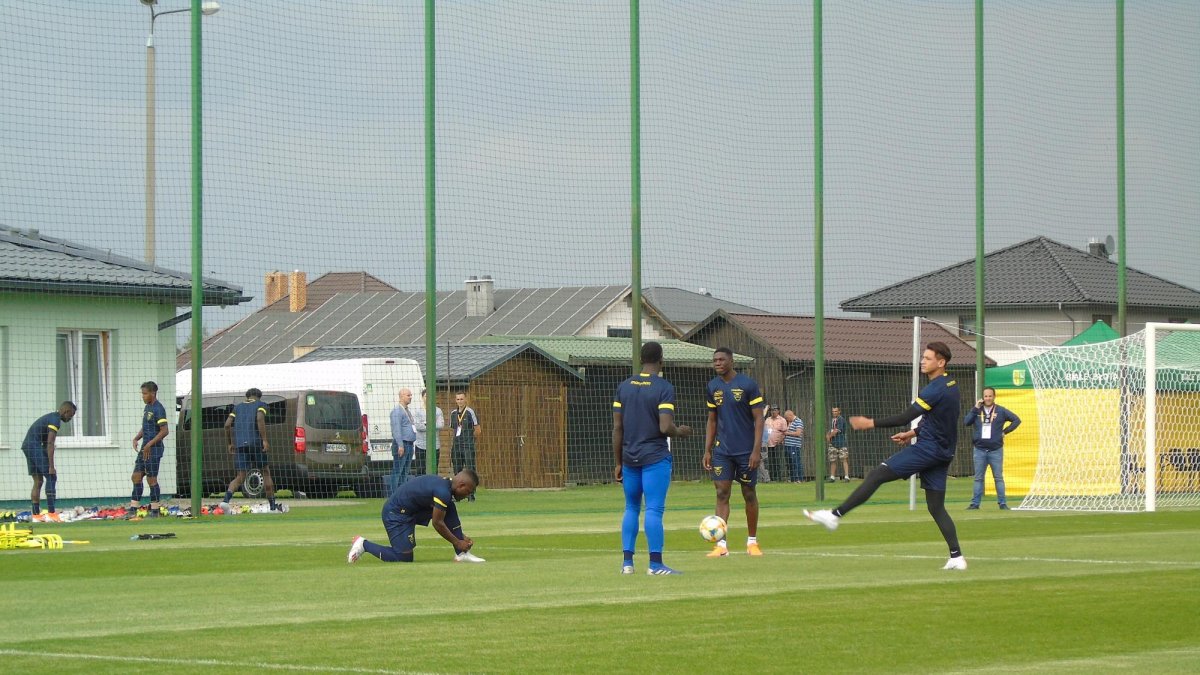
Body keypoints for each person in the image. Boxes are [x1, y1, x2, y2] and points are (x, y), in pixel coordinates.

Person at [805, 342, 968, 571]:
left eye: (928, 358)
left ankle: (835, 515)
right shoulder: (952, 385)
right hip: (943, 451)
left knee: (876, 474)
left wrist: (869, 423)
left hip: (928, 450)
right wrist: (913, 433)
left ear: (941, 363)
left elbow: (904, 416)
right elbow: (941, 422)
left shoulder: (935, 389)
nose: (923, 361)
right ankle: (957, 557)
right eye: (923, 357)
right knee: (936, 507)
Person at [613, 341, 692, 575]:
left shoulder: (624, 387)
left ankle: (627, 563)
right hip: (654, 457)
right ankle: (655, 564)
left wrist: (618, 462)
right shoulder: (663, 387)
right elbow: (665, 426)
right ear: (661, 361)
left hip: (629, 458)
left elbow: (617, 428)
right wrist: (681, 432)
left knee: (631, 508)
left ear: (640, 359)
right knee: (654, 509)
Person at [702, 347, 767, 557]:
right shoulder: (712, 386)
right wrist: (708, 450)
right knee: (722, 493)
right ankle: (721, 546)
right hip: (723, 451)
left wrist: (757, 450)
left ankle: (752, 542)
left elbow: (759, 419)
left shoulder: (748, 384)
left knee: (749, 493)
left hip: (746, 450)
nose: (717, 363)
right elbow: (712, 420)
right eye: (715, 360)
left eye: (721, 359)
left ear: (731, 361)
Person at [347, 470, 484, 564]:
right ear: (461, 485)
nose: (467, 496)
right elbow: (437, 523)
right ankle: (363, 544)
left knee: (449, 507)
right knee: (403, 557)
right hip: (395, 514)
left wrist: (460, 536)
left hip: (411, 510)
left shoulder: (447, 487)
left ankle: (461, 554)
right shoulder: (443, 491)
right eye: (468, 492)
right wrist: (457, 541)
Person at [220, 388, 281, 512]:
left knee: (240, 476)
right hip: (256, 443)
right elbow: (259, 418)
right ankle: (273, 507)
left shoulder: (237, 407)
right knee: (265, 472)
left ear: (247, 396)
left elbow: (227, 425)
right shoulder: (261, 405)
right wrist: (264, 439)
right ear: (259, 397)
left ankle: (225, 501)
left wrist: (230, 443)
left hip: (240, 445)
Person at [964, 386, 1022, 510]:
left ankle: (1002, 503)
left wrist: (1005, 431)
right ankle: (975, 504)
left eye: (990, 396)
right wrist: (975, 408)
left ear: (994, 397)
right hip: (979, 450)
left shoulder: (1000, 411)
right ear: (982, 397)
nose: (988, 398)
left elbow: (1016, 420)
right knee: (978, 478)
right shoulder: (977, 411)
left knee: (998, 478)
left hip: (996, 450)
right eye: (986, 396)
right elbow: (966, 422)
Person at [21, 402, 77, 522]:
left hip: (27, 445)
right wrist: (51, 466)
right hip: (34, 446)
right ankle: (52, 514)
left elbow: (46, 443)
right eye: (71, 416)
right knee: (51, 476)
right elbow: (50, 443)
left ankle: (36, 515)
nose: (70, 418)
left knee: (39, 480)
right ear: (66, 411)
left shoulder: (50, 417)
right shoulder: (55, 420)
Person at [130, 381, 169, 510]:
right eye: (142, 393)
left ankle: (155, 508)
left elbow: (164, 431)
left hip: (154, 450)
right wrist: (137, 438)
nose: (143, 396)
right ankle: (134, 507)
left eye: (145, 393)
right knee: (136, 476)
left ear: (153, 393)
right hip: (144, 448)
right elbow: (146, 426)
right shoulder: (147, 407)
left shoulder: (159, 408)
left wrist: (150, 444)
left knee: (151, 479)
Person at [388, 388, 417, 492]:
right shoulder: (397, 411)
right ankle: (393, 495)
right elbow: (396, 430)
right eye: (408, 395)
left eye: (411, 395)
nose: (410, 397)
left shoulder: (407, 411)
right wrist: (400, 445)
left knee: (405, 472)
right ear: (401, 396)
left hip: (409, 444)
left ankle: (401, 494)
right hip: (402, 445)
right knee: (398, 471)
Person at [411, 388, 444, 476]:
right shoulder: (417, 411)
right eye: (426, 396)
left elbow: (440, 425)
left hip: (434, 445)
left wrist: (426, 424)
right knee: (420, 470)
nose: (428, 398)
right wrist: (432, 424)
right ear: (422, 397)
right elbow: (418, 426)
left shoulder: (438, 411)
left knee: (434, 469)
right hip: (420, 445)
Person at [450, 391, 480, 474]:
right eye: (458, 399)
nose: (460, 401)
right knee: (457, 470)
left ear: (465, 399)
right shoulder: (453, 413)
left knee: (470, 470)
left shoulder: (470, 412)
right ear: (456, 400)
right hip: (456, 446)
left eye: (462, 399)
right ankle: (458, 486)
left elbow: (478, 430)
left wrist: (470, 440)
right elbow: (453, 429)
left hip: (468, 446)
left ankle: (472, 487)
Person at [826, 406, 850, 482]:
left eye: (836, 411)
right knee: (832, 460)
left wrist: (829, 436)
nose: (834, 413)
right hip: (833, 443)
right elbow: (832, 429)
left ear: (839, 411)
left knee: (844, 459)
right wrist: (827, 434)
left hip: (841, 443)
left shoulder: (841, 419)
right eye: (833, 411)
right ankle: (832, 477)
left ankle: (846, 477)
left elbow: (836, 430)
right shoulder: (833, 420)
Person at [765, 406, 788, 481]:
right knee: (770, 461)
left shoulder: (782, 420)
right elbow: (765, 430)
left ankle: (779, 478)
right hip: (768, 444)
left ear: (778, 411)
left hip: (778, 444)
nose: (773, 411)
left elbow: (785, 432)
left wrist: (780, 440)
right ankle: (772, 478)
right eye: (771, 410)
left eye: (775, 410)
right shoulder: (767, 419)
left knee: (778, 461)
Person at [783, 409, 805, 482]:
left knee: (796, 462)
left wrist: (787, 433)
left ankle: (798, 478)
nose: (787, 419)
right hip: (787, 445)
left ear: (790, 415)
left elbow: (798, 433)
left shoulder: (798, 421)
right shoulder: (790, 422)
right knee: (790, 463)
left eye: (787, 418)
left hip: (794, 446)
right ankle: (792, 479)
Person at [757, 418, 772, 483]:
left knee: (762, 461)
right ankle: (763, 479)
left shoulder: (758, 424)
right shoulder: (763, 425)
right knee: (762, 461)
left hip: (761, 444)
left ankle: (765, 479)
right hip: (763, 443)